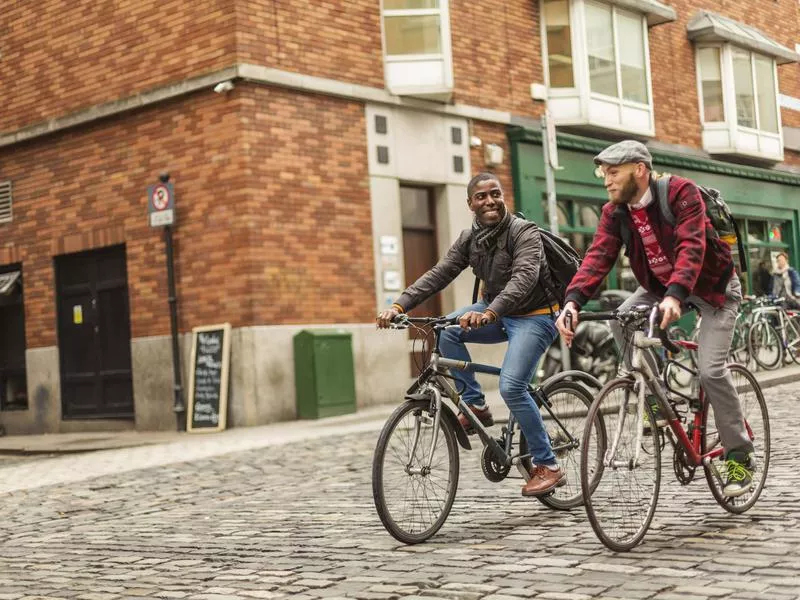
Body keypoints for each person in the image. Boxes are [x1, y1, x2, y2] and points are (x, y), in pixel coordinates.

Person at [555, 140, 755, 498]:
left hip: (714, 290)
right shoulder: (615, 213)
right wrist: (572, 301)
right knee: (620, 318)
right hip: (662, 289)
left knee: (710, 371)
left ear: (640, 170)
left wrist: (677, 295)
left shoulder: (680, 192)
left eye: (614, 172)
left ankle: (739, 456)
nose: (607, 181)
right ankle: (657, 399)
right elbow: (598, 256)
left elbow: (692, 246)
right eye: (604, 174)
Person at [376, 172, 565, 497]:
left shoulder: (523, 232)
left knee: (512, 387)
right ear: (470, 204)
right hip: (494, 311)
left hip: (534, 316)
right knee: (447, 330)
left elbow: (524, 277)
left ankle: (548, 464)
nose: (489, 201)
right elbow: (440, 272)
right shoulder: (470, 238)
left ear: (503, 196)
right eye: (481, 196)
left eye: (495, 194)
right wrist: (399, 304)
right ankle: (475, 405)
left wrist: (490, 311)